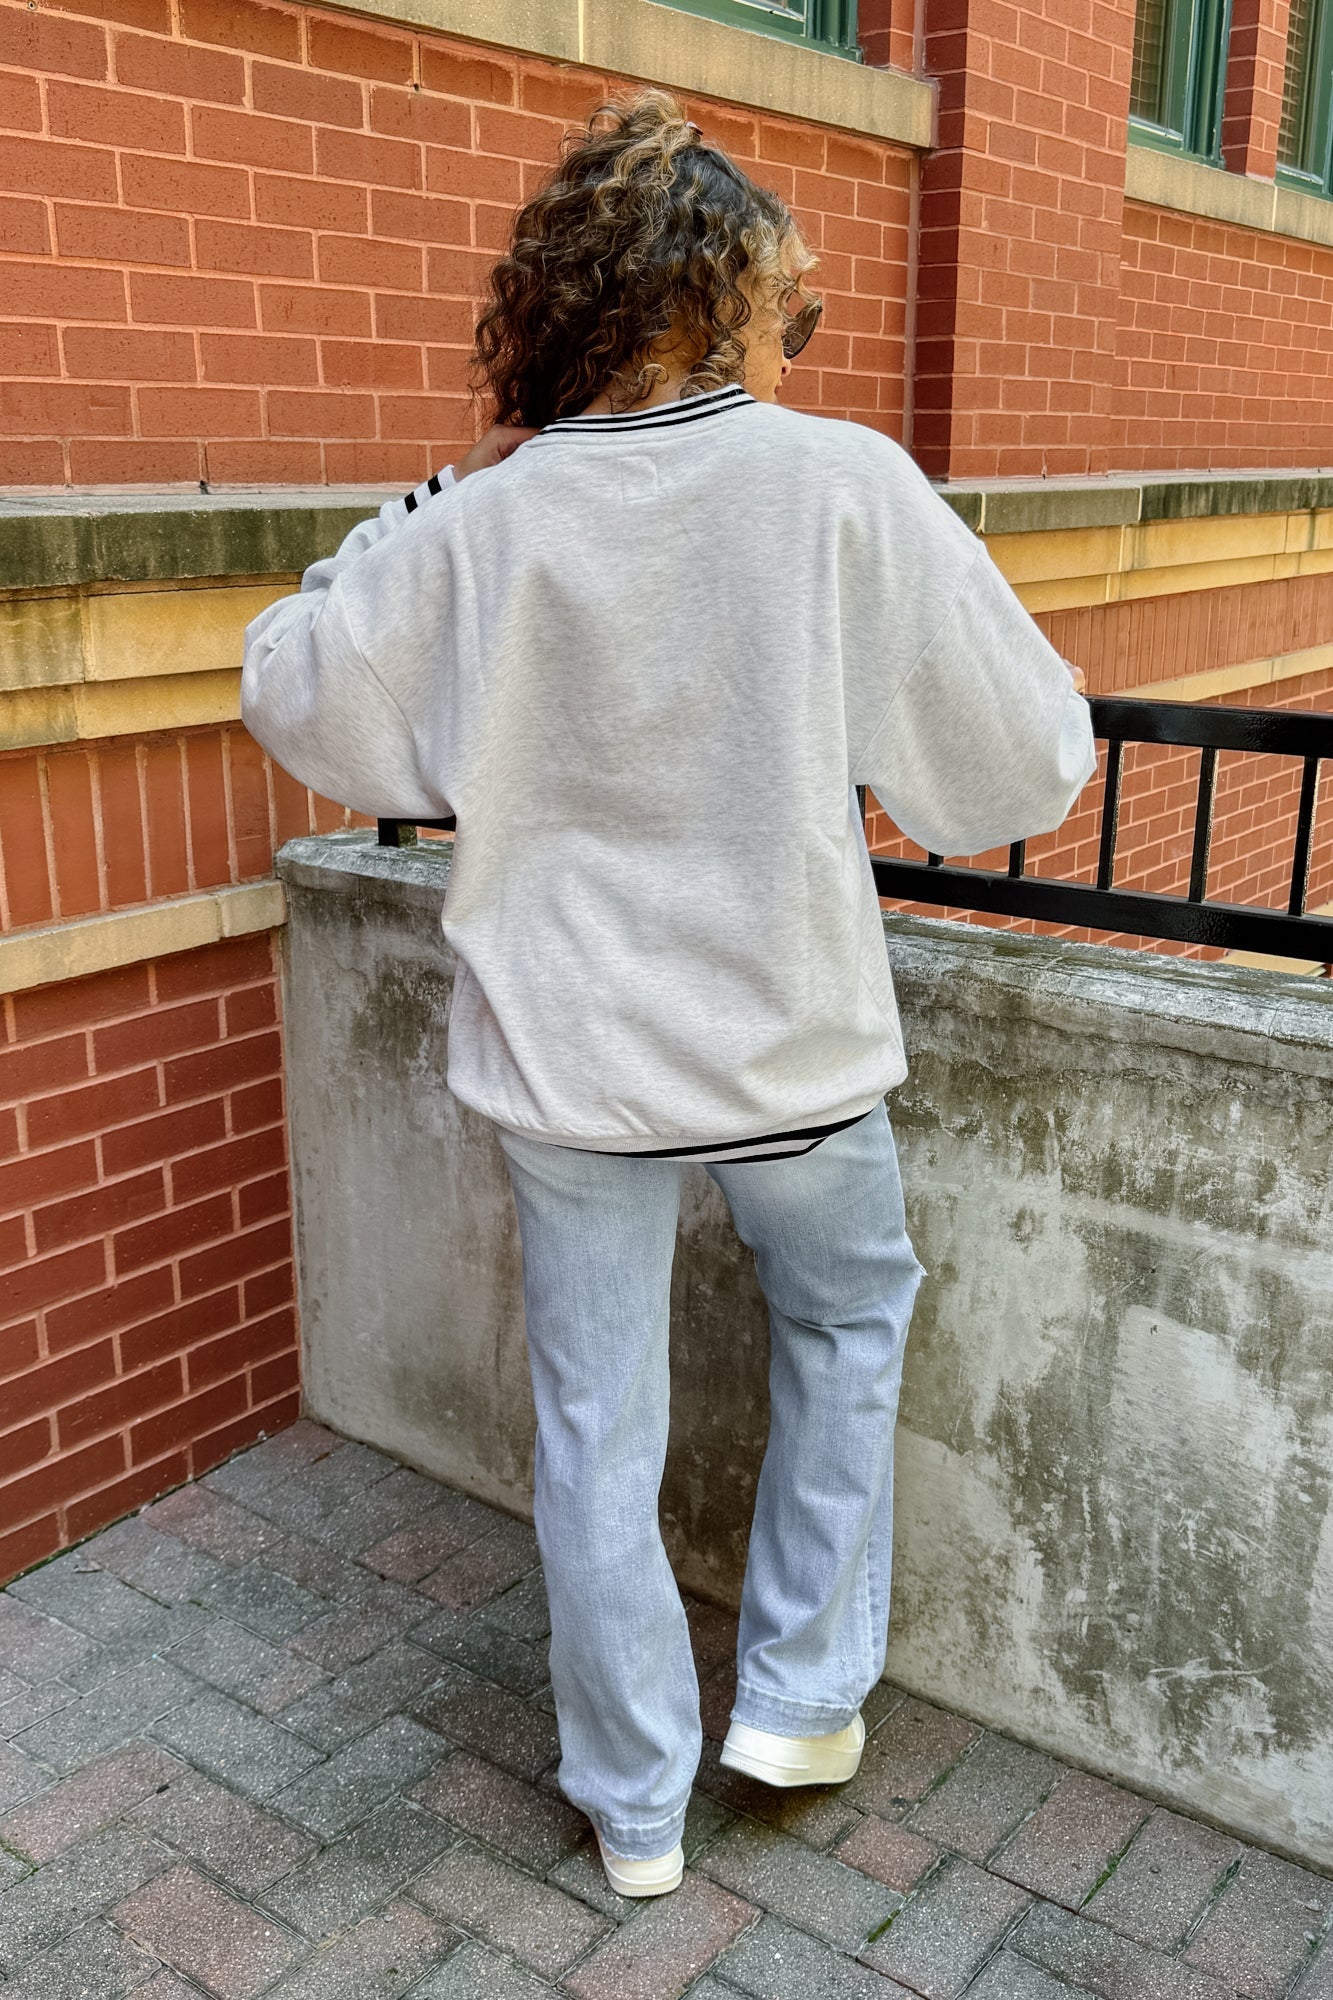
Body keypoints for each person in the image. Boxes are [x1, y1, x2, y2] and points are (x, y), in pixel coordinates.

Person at [240, 88, 1097, 1900]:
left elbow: (299, 688)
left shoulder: (487, 519)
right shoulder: (840, 485)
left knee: (593, 1430)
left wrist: (427, 505)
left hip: (568, 1061)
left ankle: (632, 1812)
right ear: (723, 299)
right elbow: (1021, 763)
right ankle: (796, 1698)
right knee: (846, 1322)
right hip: (789, 1045)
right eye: (793, 310)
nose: (800, 342)